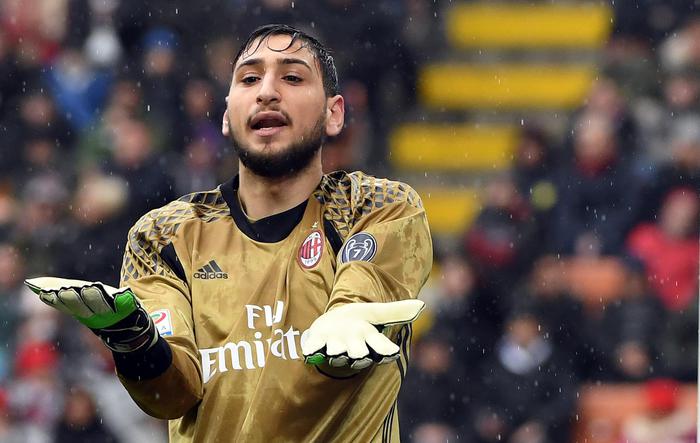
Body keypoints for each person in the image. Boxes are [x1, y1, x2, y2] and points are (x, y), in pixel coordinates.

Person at [24, 24, 433, 442]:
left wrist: (349, 313)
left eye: (292, 77)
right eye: (249, 78)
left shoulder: (376, 206)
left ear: (334, 113)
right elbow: (170, 395)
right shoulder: (164, 236)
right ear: (225, 117)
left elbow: (365, 286)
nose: (267, 92)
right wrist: (135, 342)